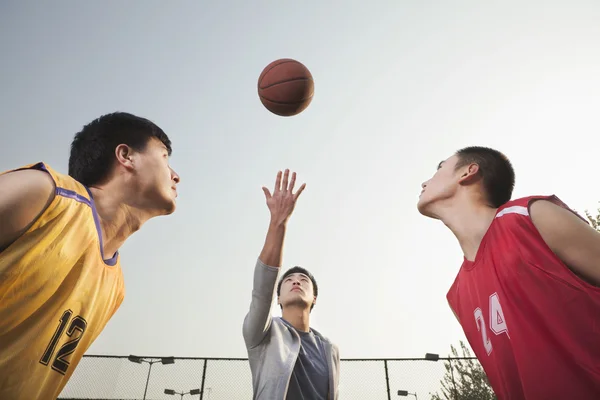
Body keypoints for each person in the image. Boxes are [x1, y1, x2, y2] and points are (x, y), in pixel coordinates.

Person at [0, 112, 180, 399]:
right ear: (126, 156)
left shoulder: (115, 288)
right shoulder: (46, 194)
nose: (175, 175)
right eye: (164, 157)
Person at [417, 146, 600, 399]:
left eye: (439, 168)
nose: (425, 181)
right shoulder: (457, 295)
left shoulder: (530, 217)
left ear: (468, 172)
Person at [242, 169, 340, 400]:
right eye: (288, 280)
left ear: (314, 298)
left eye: (304, 280)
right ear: (277, 298)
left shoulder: (329, 349)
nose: (296, 280)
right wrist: (279, 221)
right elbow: (262, 290)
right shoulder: (263, 333)